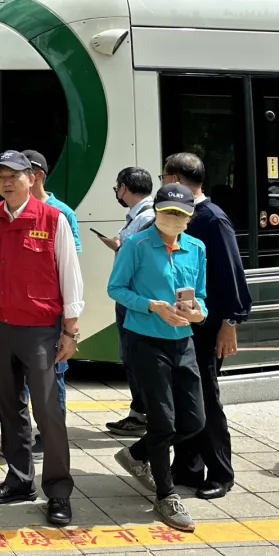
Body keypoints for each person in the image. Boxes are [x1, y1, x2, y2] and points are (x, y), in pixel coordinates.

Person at [0, 150, 83, 527]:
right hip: (1, 325)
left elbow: (70, 276)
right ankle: (19, 480)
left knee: (48, 412)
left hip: (41, 330)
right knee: (8, 407)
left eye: (14, 175)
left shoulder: (54, 219)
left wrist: (71, 330)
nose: (6, 181)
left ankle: (58, 492)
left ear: (32, 177)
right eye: (0, 175)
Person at [108, 183, 208, 532]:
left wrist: (199, 314)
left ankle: (136, 454)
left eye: (181, 215)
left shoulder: (196, 248)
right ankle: (166, 495)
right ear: (156, 212)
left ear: (190, 217)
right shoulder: (136, 245)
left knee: (194, 421)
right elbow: (116, 289)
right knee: (163, 422)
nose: (173, 219)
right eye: (167, 212)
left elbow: (203, 298)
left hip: (184, 342)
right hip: (146, 341)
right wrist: (153, 306)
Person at [161, 153, 251, 498]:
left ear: (177, 180)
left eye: (165, 177)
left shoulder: (211, 219)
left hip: (206, 325)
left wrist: (230, 322)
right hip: (181, 324)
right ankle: (188, 466)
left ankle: (221, 472)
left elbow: (231, 275)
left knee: (205, 400)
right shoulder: (179, 216)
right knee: (184, 398)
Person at [23, 149, 80, 458]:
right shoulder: (7, 210)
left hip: (51, 313)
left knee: (53, 375)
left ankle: (51, 434)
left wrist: (69, 320)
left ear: (37, 176)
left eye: (20, 173)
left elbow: (71, 266)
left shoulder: (62, 213)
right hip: (20, 314)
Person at [104, 167, 157, 437]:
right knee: (130, 358)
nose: (117, 192)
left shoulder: (147, 217)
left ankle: (144, 416)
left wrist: (118, 246)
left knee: (135, 358)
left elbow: (138, 255)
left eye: (117, 187)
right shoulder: (137, 216)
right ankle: (140, 413)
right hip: (131, 298)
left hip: (134, 299)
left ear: (124, 187)